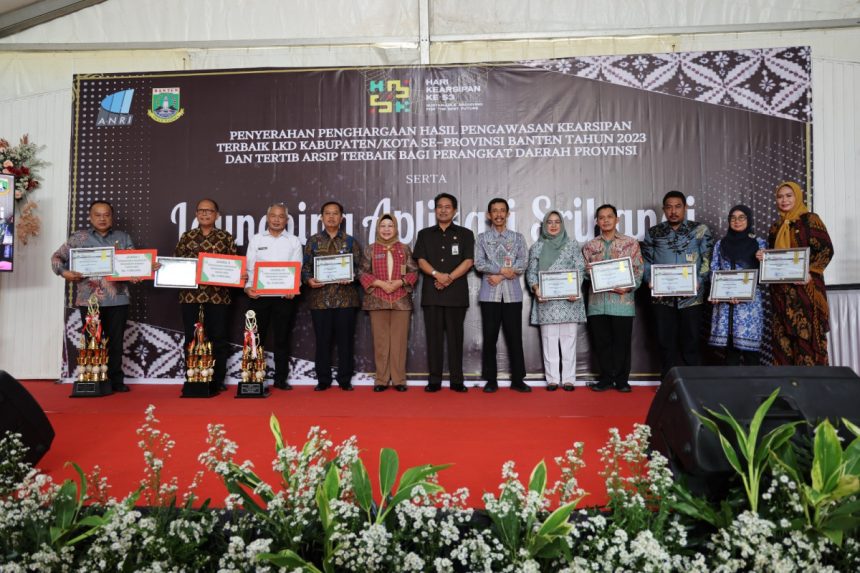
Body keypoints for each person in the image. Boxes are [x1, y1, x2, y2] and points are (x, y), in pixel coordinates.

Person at [52, 200, 139, 392]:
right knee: (92, 342)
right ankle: (94, 380)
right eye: (98, 215)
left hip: (117, 299)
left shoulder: (123, 237)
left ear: (112, 217)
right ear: (90, 217)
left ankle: (116, 381)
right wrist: (65, 273)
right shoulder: (78, 238)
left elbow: (134, 262)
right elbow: (56, 257)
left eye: (106, 215)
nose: (102, 218)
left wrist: (141, 270)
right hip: (89, 300)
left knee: (116, 343)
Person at [759, 181, 834, 365]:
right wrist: (765, 257)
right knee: (783, 343)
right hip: (781, 294)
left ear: (797, 197)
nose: (784, 200)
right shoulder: (775, 227)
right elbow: (776, 258)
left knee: (806, 340)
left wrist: (810, 272)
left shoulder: (810, 220)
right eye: (780, 197)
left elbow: (826, 250)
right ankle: (788, 383)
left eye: (788, 196)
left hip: (806, 291)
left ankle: (812, 383)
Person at [642, 190, 713, 380]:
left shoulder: (700, 230)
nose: (673, 211)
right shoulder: (654, 233)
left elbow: (707, 259)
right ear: (664, 209)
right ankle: (668, 385)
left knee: (691, 342)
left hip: (691, 298)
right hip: (662, 298)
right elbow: (646, 261)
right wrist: (650, 280)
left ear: (685, 208)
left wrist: (699, 281)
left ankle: (693, 385)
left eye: (678, 206)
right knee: (665, 343)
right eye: (669, 207)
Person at [413, 193, 475, 393]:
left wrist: (448, 278)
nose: (443, 210)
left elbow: (468, 261)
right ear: (435, 210)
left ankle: (457, 380)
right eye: (440, 206)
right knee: (434, 339)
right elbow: (420, 260)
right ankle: (434, 380)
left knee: (456, 339)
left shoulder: (466, 234)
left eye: (448, 207)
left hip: (456, 294)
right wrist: (436, 275)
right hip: (432, 294)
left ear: (454, 211)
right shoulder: (424, 234)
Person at [175, 198, 237, 392]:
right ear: (196, 214)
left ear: (217, 215)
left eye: (209, 211)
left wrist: (239, 273)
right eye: (201, 210)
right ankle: (193, 377)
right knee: (191, 338)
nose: (204, 214)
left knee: (218, 338)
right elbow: (176, 262)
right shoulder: (187, 237)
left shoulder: (225, 237)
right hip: (190, 296)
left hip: (218, 296)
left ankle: (217, 379)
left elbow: (234, 265)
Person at [301, 201, 363, 391]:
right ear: (321, 217)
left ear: (341, 218)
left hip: (346, 300)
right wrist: (308, 280)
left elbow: (361, 269)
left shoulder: (351, 241)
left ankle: (345, 379)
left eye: (335, 213)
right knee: (322, 342)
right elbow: (305, 268)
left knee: (346, 342)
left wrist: (351, 277)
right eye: (327, 213)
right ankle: (323, 379)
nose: (331, 217)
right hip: (320, 300)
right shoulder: (313, 241)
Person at [582, 204, 644, 393]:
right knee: (602, 343)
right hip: (597, 303)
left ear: (617, 219)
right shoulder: (590, 246)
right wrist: (587, 272)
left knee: (622, 343)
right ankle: (606, 379)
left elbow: (639, 271)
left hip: (622, 302)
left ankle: (622, 380)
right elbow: (583, 274)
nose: (606, 220)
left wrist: (629, 287)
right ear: (597, 222)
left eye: (610, 216)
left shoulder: (631, 243)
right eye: (602, 217)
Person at [245, 203, 303, 390]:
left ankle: (280, 379)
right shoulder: (256, 239)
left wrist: (293, 287)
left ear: (286, 220)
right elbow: (249, 267)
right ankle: (254, 378)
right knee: (255, 338)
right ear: (267, 218)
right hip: (259, 297)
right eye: (273, 216)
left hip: (284, 298)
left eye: (281, 216)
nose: (277, 220)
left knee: (282, 339)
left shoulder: (293, 241)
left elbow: (297, 267)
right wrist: (247, 288)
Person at [525, 211, 586, 391]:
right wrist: (536, 289)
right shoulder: (537, 247)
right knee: (549, 340)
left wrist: (575, 288)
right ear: (544, 225)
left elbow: (580, 268)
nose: (553, 225)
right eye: (549, 222)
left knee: (569, 341)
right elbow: (531, 272)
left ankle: (568, 379)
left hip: (569, 300)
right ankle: (552, 379)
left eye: (557, 222)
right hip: (546, 301)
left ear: (562, 224)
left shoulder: (572, 244)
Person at [474, 198, 530, 393]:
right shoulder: (482, 238)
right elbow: (479, 263)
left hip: (512, 295)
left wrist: (500, 276)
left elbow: (523, 262)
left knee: (515, 337)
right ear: (489, 215)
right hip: (489, 295)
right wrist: (501, 271)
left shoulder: (518, 238)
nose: (498, 214)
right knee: (490, 338)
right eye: (494, 211)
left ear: (507, 214)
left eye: (502, 210)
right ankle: (491, 380)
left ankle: (518, 379)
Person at [358, 213, 418, 392]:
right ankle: (381, 380)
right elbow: (361, 272)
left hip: (401, 300)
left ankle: (399, 380)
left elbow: (414, 271)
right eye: (383, 226)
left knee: (399, 342)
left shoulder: (404, 249)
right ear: (378, 228)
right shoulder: (370, 249)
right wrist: (380, 284)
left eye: (390, 226)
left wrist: (401, 282)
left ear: (396, 228)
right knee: (381, 342)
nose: (386, 229)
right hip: (377, 300)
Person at [708, 205, 766, 365]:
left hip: (749, 305)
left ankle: (753, 382)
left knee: (751, 354)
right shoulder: (720, 244)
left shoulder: (759, 243)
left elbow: (767, 275)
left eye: (741, 217)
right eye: (733, 218)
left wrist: (763, 260)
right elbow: (714, 269)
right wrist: (716, 293)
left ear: (749, 220)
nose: (737, 221)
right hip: (725, 304)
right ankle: (730, 382)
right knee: (730, 353)